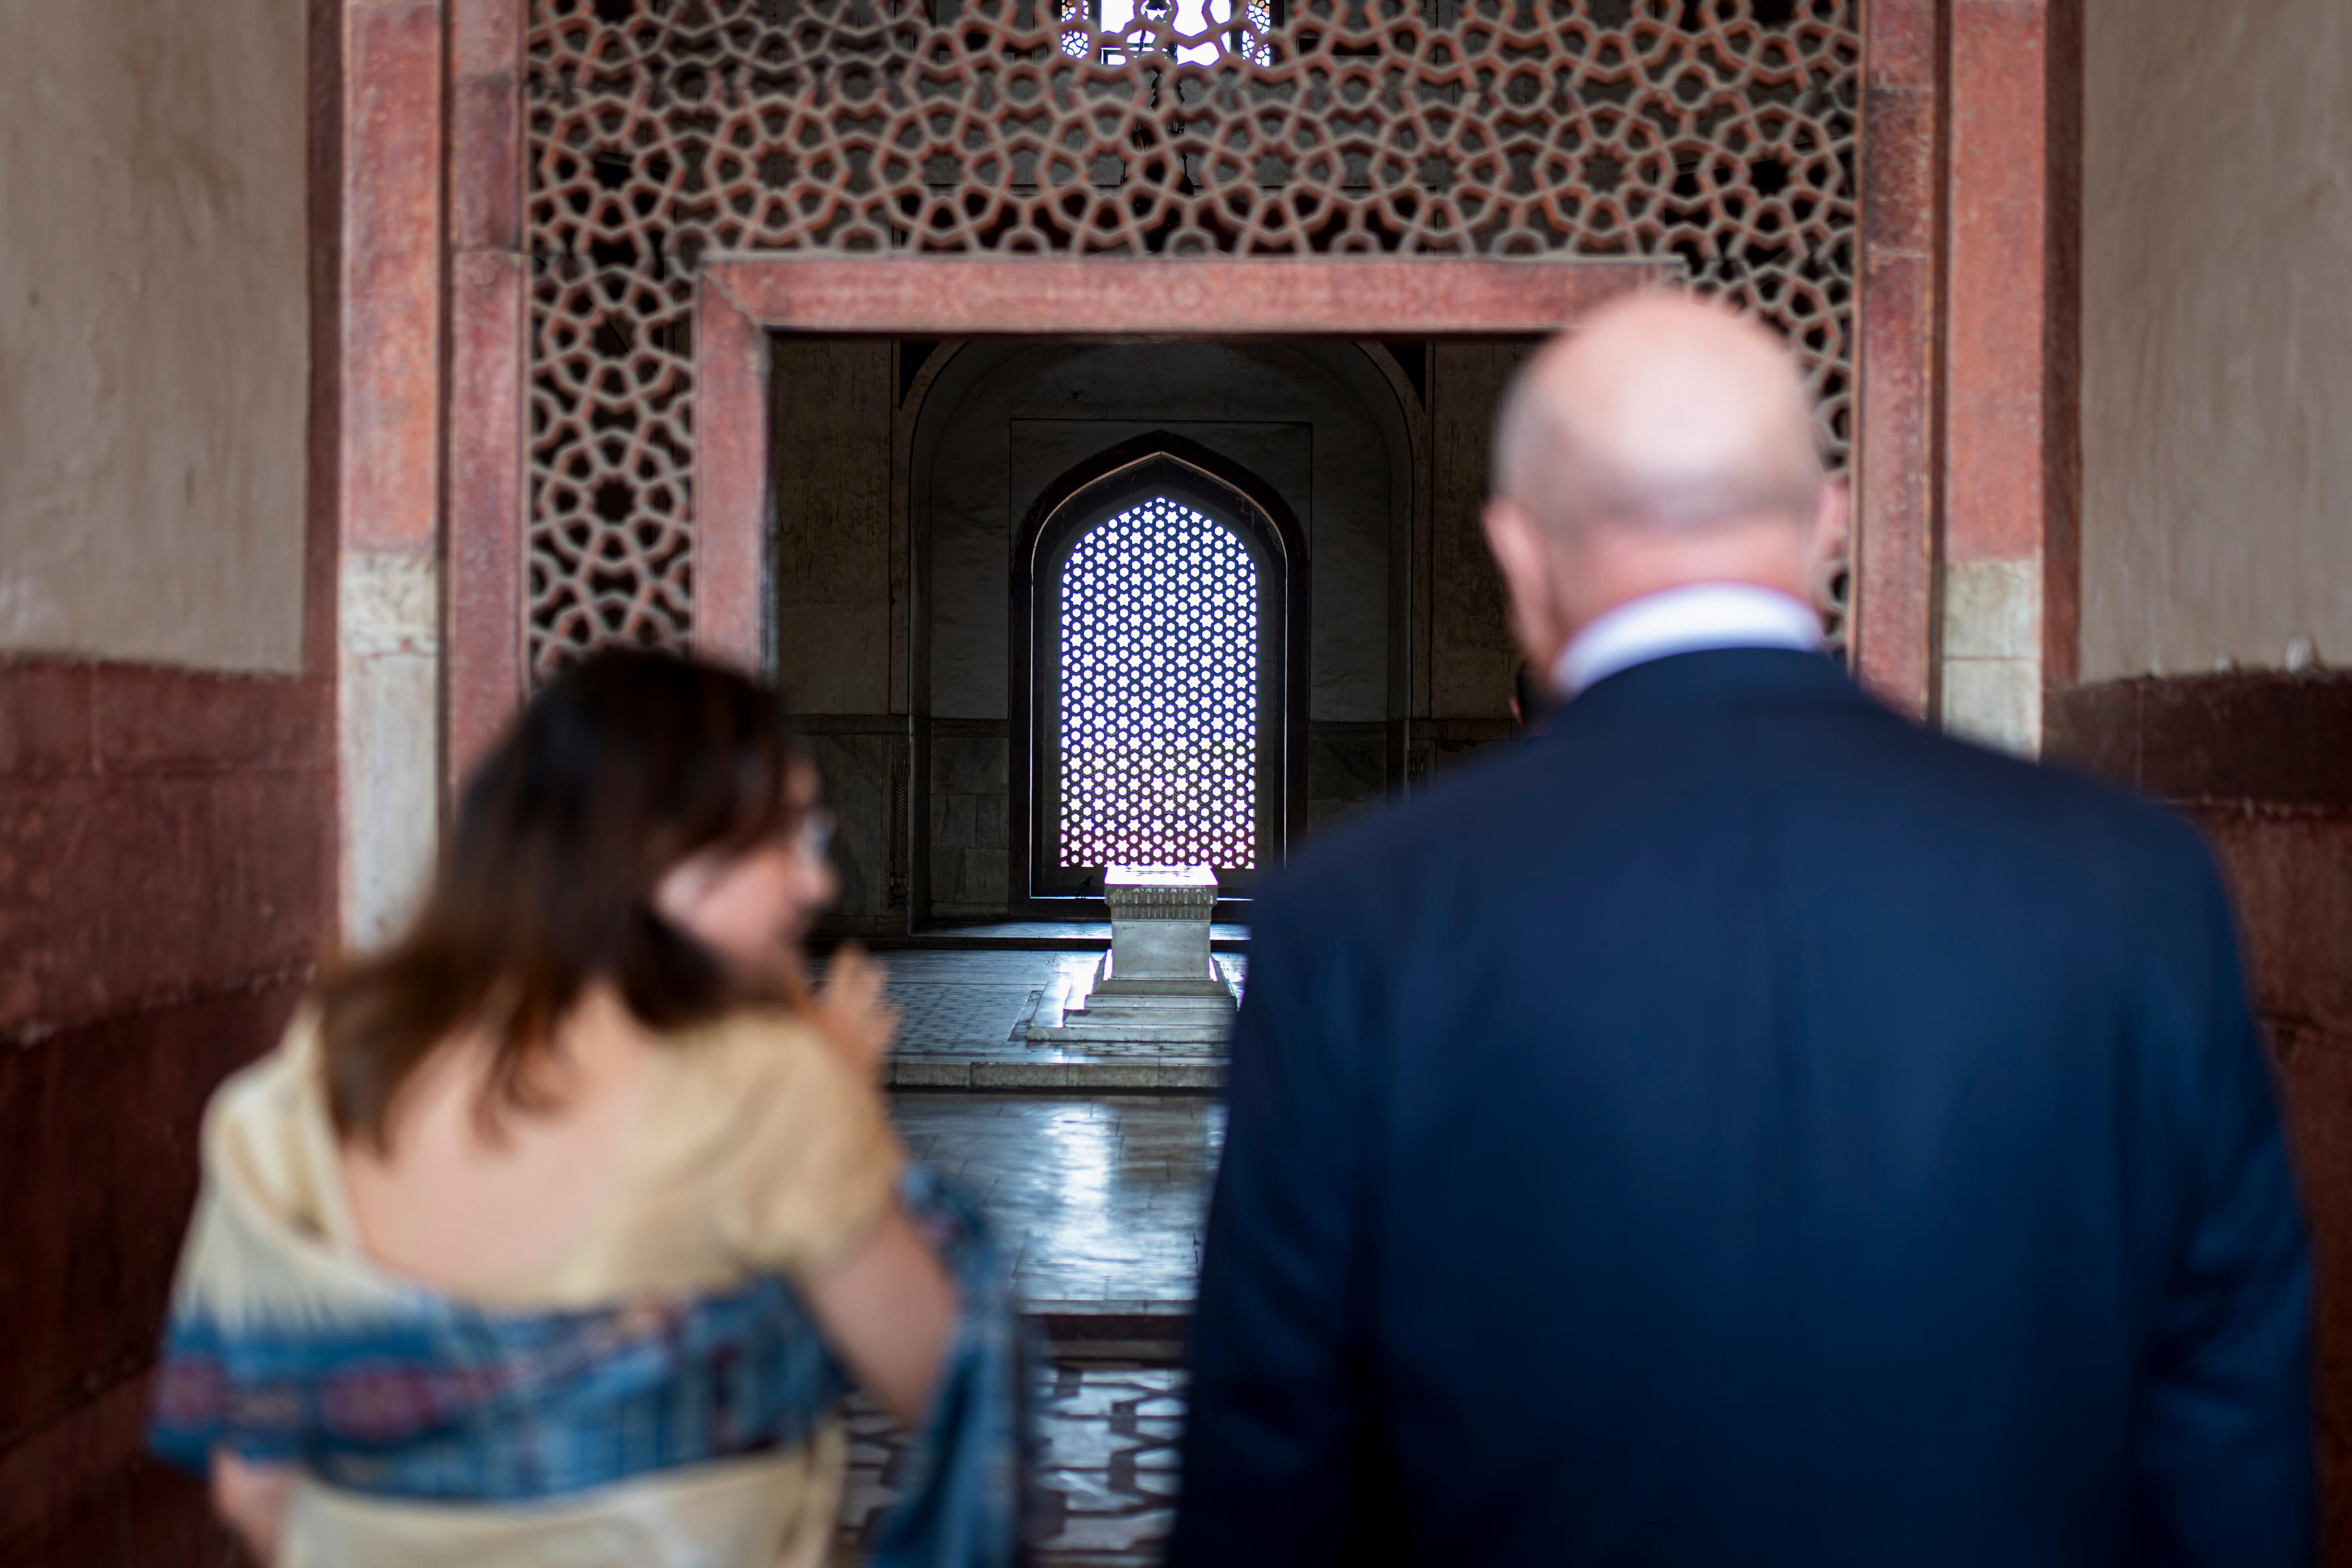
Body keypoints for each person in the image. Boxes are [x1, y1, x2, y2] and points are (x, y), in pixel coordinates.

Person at [1170, 295, 2312, 1565]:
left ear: (1518, 551)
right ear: (1829, 527)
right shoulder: (2129, 882)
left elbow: (1271, 1471)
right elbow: (2227, 1425)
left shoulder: (1359, 915)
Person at [150, 649, 1024, 1567]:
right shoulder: (761, 1091)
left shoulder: (294, 1099)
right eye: (790, 837)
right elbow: (947, 1374)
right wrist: (848, 1104)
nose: (818, 883)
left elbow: (254, 1486)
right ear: (662, 854)